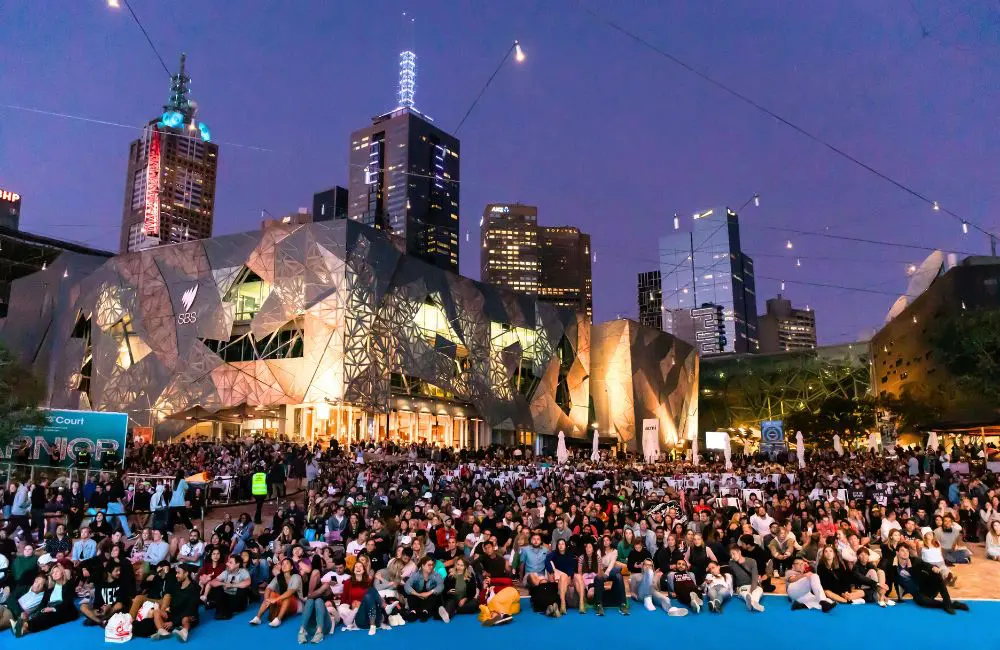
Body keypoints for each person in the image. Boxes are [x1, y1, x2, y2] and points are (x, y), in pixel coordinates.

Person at [893, 544, 969, 614]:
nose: (905, 553)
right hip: (917, 594)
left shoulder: (914, 561)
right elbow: (893, 578)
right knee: (923, 602)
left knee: (936, 574)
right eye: (902, 550)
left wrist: (933, 568)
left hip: (926, 588)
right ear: (897, 553)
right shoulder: (894, 566)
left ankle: (947, 602)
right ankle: (951, 605)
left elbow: (925, 565)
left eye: (907, 551)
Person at [141, 564, 201, 642]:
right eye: (176, 573)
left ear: (186, 573)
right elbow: (168, 591)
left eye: (179, 573)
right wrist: (165, 610)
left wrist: (173, 622)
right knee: (156, 611)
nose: (176, 575)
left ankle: (184, 632)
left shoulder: (195, 588)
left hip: (188, 615)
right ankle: (162, 632)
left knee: (185, 618)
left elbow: (191, 609)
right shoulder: (176, 585)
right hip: (175, 614)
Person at [250, 557, 303, 627]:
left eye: (287, 563)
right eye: (283, 564)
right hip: (282, 601)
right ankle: (258, 618)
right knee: (271, 593)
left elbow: (290, 591)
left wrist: (275, 599)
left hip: (297, 604)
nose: (284, 565)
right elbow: (268, 588)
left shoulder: (296, 576)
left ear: (292, 567)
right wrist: (267, 599)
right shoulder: (278, 577)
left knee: (287, 596)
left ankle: (278, 619)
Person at [403, 555, 448, 623]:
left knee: (435, 595)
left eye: (432, 565)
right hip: (418, 597)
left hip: (429, 599)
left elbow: (441, 586)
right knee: (411, 594)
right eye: (429, 565)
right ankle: (413, 612)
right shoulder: (416, 575)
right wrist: (418, 594)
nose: (431, 567)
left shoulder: (436, 575)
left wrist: (429, 593)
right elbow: (407, 586)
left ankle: (425, 612)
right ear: (423, 566)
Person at [208, 554, 251, 621]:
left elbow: (248, 582)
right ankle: (221, 611)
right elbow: (213, 582)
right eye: (228, 562)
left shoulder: (243, 571)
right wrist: (223, 583)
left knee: (243, 589)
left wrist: (231, 585)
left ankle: (225, 611)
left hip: (238, 599)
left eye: (230, 562)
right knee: (217, 588)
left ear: (237, 564)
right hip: (227, 597)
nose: (227, 564)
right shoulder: (226, 572)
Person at [728, 544, 765, 612]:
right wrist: (734, 588)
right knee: (744, 593)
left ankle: (754, 602)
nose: (732, 557)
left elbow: (754, 578)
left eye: (733, 554)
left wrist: (751, 590)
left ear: (739, 552)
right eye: (731, 555)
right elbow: (730, 576)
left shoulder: (752, 561)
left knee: (759, 590)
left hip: (753, 585)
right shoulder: (731, 563)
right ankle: (752, 601)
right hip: (742, 587)